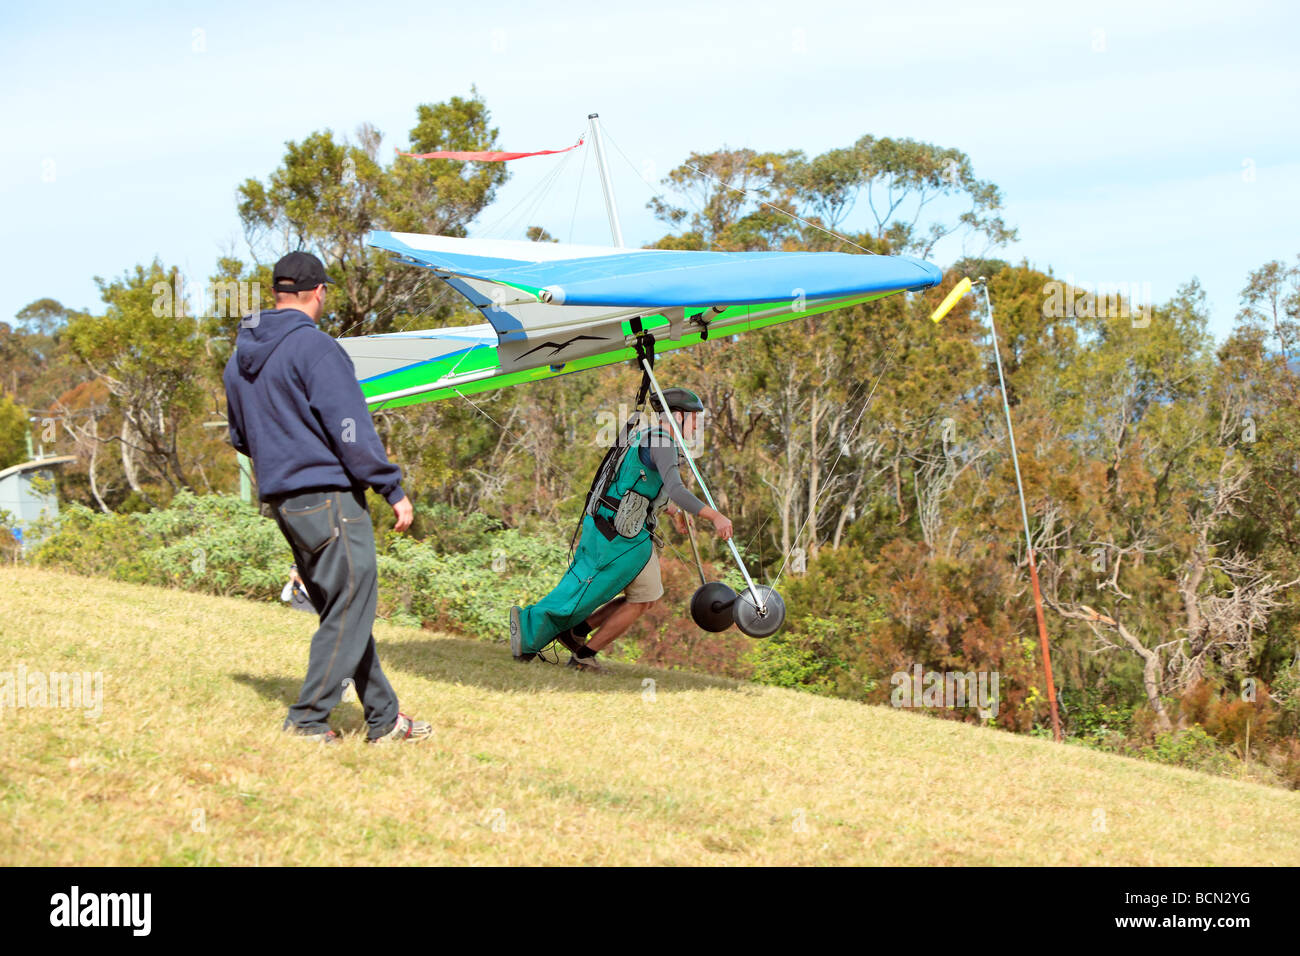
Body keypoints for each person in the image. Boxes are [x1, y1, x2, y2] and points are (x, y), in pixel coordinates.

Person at [223, 251, 430, 743]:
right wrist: (391, 488)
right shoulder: (315, 349)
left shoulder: (240, 357)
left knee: (344, 607)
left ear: (277, 293)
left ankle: (384, 720)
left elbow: (239, 435)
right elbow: (351, 429)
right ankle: (307, 719)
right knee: (351, 604)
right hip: (329, 497)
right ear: (319, 293)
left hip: (283, 502)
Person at [509, 387, 733, 671]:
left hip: (607, 526)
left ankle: (576, 633)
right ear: (677, 416)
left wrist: (673, 512)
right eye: (694, 419)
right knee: (636, 598)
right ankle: (580, 653)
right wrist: (715, 516)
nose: (697, 426)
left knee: (642, 597)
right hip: (621, 537)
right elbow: (675, 489)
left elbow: (636, 484)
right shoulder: (662, 442)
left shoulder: (645, 434)